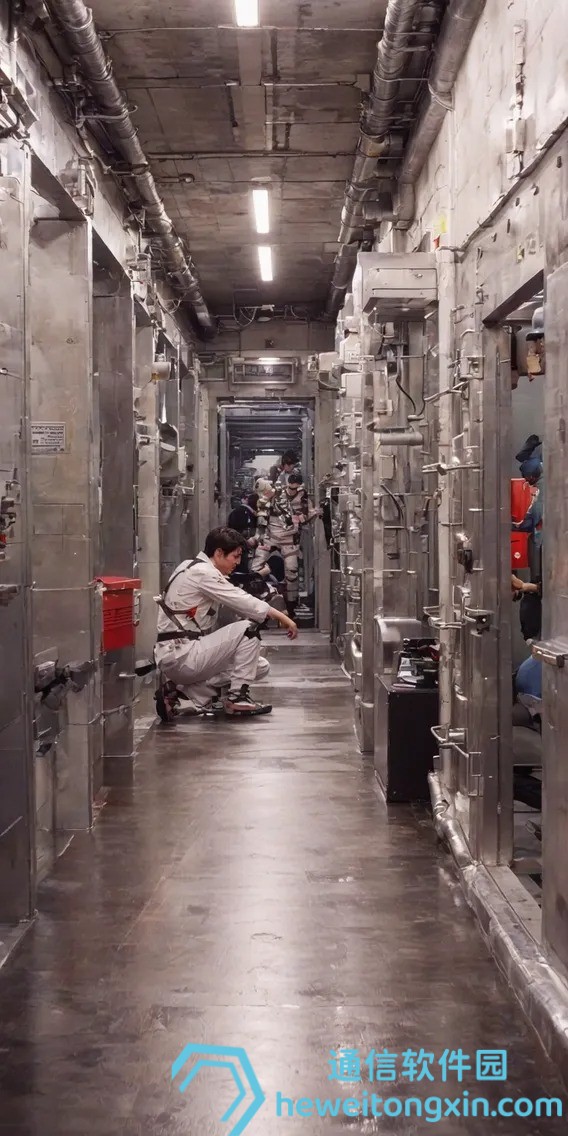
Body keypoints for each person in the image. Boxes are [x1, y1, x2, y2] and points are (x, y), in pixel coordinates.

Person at [153, 527, 298, 723]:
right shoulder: (202, 573)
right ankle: (237, 698)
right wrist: (284, 618)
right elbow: (243, 601)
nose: (237, 562)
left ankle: (180, 694)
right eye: (235, 556)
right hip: (182, 656)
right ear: (219, 553)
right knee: (249, 629)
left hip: (181, 654)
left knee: (259, 666)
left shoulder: (189, 566)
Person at [252, 471, 319, 620]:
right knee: (256, 568)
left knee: (291, 572)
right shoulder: (275, 494)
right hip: (270, 536)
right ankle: (259, 601)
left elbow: (310, 515)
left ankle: (291, 607)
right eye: (291, 486)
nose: (292, 489)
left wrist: (302, 518)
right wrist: (259, 534)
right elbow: (262, 509)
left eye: (296, 487)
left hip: (290, 539)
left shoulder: (304, 498)